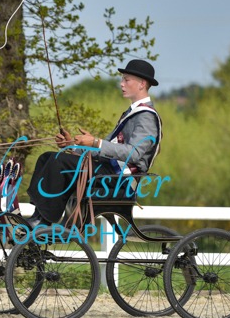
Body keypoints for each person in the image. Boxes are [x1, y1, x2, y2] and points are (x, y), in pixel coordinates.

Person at [26, 59, 162, 227]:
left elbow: (134, 153)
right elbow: (107, 151)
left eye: (126, 80)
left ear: (142, 84)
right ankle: (38, 213)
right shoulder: (132, 113)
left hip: (120, 179)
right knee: (47, 157)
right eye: (122, 79)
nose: (121, 84)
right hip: (108, 171)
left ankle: (44, 221)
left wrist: (96, 142)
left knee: (58, 161)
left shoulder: (146, 116)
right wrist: (72, 146)